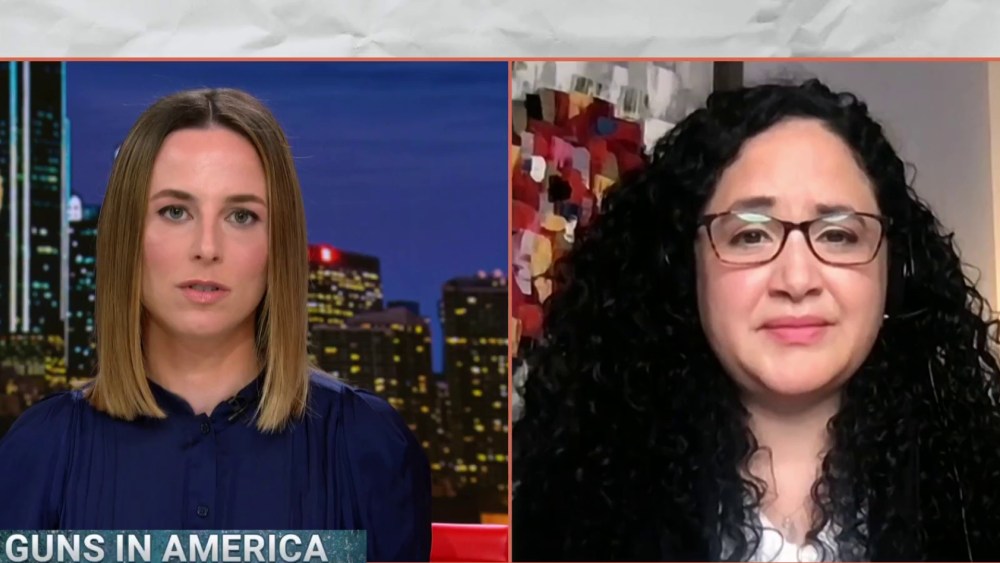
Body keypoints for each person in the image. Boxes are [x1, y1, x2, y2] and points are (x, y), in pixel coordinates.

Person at [512, 79, 1000, 562]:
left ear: (894, 271)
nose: (797, 279)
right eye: (750, 236)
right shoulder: (566, 523)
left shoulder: (977, 506)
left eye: (838, 235)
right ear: (687, 269)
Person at [0, 88, 431, 562]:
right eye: (175, 212)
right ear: (127, 235)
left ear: (279, 244)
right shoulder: (43, 449)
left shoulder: (366, 444)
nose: (207, 248)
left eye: (241, 216)